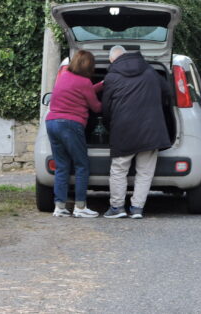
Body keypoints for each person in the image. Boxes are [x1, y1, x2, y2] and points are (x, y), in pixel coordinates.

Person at [101, 45, 171, 219]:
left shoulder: (112, 76)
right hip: (151, 129)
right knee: (145, 171)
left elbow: (106, 108)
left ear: (112, 60)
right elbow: (167, 93)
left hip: (123, 130)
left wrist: (110, 126)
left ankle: (117, 208)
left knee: (119, 170)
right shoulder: (150, 71)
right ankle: (137, 208)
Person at [46, 50, 104, 218]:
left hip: (52, 122)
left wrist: (101, 85)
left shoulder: (63, 77)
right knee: (81, 165)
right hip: (70, 125)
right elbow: (96, 107)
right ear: (89, 66)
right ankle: (80, 207)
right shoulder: (84, 82)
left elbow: (78, 91)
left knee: (62, 166)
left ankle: (60, 207)